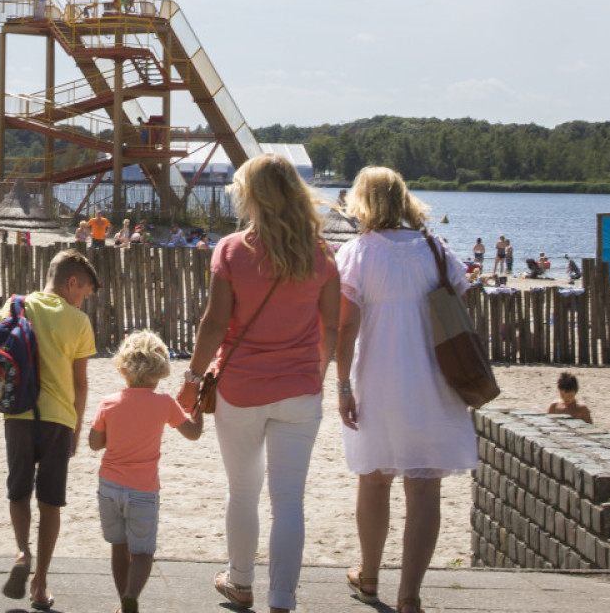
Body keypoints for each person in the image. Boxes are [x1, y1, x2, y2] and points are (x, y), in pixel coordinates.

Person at [186, 154, 340, 613]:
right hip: (299, 389)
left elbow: (215, 324)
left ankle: (240, 583)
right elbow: (331, 326)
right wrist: (319, 373)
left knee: (243, 490)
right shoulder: (321, 252)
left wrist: (193, 376)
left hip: (240, 389)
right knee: (289, 499)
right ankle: (282, 600)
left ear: (252, 195)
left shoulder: (233, 249)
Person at [335, 166, 477, 613]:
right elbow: (458, 305)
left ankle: (370, 576)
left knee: (374, 480)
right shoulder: (436, 248)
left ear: (361, 202)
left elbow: (346, 325)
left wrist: (341, 384)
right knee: (424, 487)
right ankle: (410, 595)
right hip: (434, 379)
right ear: (404, 199)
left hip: (378, 377)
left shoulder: (357, 252)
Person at [0, 249, 99, 610]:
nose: (84, 298)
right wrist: (75, 429)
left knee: (18, 490)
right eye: (85, 292)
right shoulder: (78, 321)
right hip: (58, 419)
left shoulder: (15, 305)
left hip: (17, 414)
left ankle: (22, 551)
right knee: (51, 501)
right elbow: (82, 383)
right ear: (71, 282)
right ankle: (40, 585)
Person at [89, 330, 203, 613]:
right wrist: (198, 408)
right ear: (160, 370)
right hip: (143, 489)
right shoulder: (164, 403)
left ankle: (122, 600)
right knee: (142, 552)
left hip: (110, 486)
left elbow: (94, 444)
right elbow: (192, 434)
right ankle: (132, 594)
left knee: (118, 546)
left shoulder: (109, 402)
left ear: (123, 368)